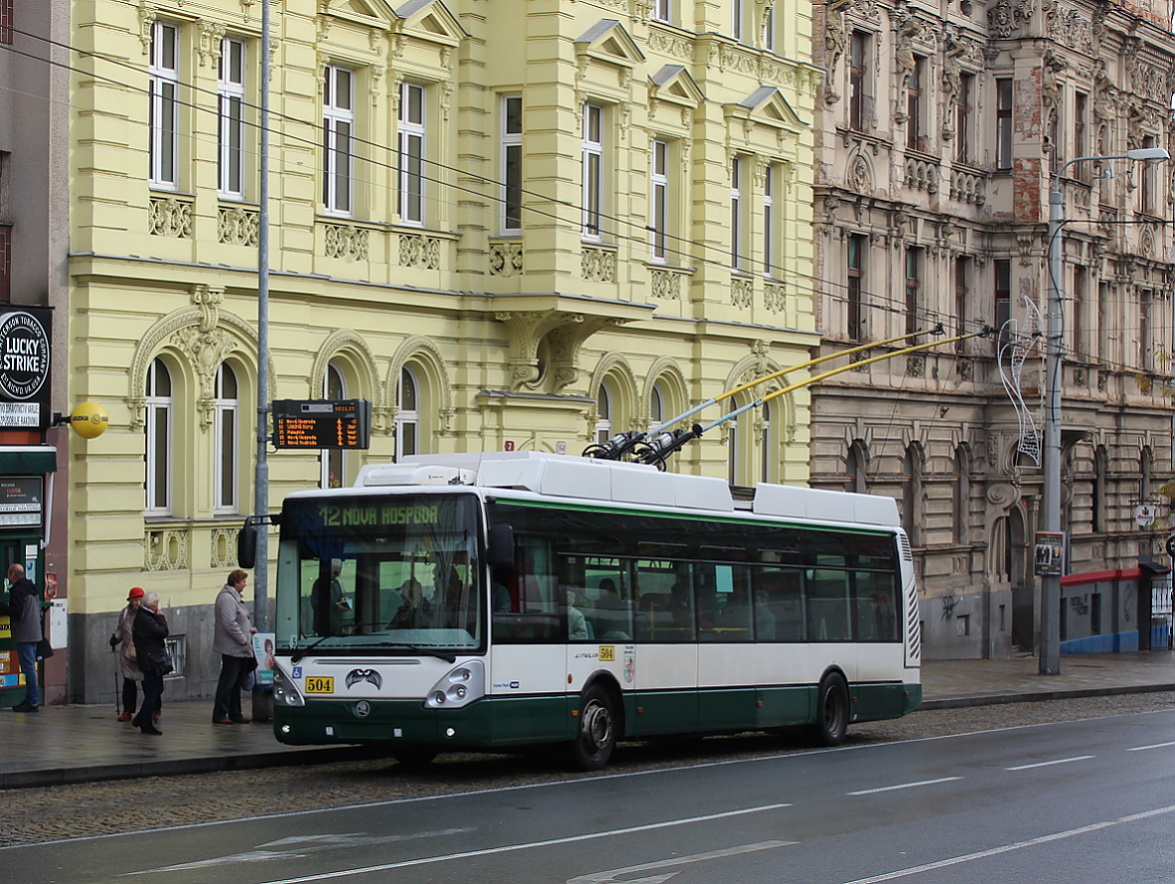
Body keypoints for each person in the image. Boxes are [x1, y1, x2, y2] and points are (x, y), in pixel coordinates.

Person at [212, 569, 257, 725]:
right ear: (235, 582)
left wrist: (249, 630)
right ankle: (220, 713)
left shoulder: (234, 597)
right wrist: (243, 639)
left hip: (240, 647)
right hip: (233, 647)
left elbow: (240, 620)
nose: (245, 584)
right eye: (243, 581)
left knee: (236, 681)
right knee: (228, 681)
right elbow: (229, 623)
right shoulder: (227, 598)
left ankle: (235, 712)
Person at [109, 587, 155, 722]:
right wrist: (116, 639)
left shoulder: (149, 613)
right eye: (135, 600)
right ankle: (128, 711)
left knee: (147, 683)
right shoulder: (125, 614)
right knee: (128, 683)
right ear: (130, 601)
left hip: (144, 654)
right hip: (128, 654)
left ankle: (151, 709)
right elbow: (120, 630)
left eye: (140, 600)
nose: (137, 603)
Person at [1, 563, 42, 712]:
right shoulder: (32, 587)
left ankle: (32, 701)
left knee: (28, 668)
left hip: (24, 633)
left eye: (8, 575)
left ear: (13, 575)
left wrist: (2, 607)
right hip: (34, 632)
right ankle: (32, 699)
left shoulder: (17, 590)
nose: (7, 578)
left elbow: (17, 612)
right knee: (30, 667)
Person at [131, 591, 168, 736]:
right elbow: (163, 631)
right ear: (151, 604)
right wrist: (160, 616)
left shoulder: (144, 616)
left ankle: (141, 717)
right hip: (150, 659)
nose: (157, 607)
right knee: (152, 691)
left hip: (151, 658)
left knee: (157, 689)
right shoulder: (145, 618)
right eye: (156, 604)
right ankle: (145, 721)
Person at [311, 559, 348, 635]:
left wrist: (344, 600)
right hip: (324, 626)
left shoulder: (336, 583)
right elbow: (314, 603)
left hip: (337, 625)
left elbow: (340, 596)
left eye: (339, 572)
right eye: (335, 572)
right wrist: (335, 605)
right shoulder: (319, 583)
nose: (338, 575)